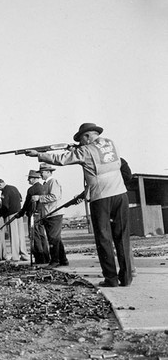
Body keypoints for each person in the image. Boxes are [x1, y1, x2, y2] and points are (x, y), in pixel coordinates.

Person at [26, 123, 132, 287]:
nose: (80, 142)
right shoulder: (110, 143)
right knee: (122, 237)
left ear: (88, 136)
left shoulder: (85, 150)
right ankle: (126, 278)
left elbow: (61, 160)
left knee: (103, 239)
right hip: (120, 193)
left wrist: (39, 155)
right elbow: (97, 154)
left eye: (81, 139)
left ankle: (111, 279)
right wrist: (75, 148)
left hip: (101, 197)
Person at [30, 164, 69, 268]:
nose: (41, 175)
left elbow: (54, 196)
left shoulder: (53, 182)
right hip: (49, 214)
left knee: (53, 238)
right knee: (56, 238)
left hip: (54, 213)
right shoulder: (46, 183)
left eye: (42, 172)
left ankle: (55, 261)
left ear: (48, 172)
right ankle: (63, 260)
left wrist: (39, 198)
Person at [16, 169, 50, 264]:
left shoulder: (32, 189)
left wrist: (20, 213)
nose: (28, 181)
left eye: (29, 178)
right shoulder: (43, 187)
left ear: (34, 178)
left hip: (33, 215)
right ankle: (46, 257)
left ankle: (40, 259)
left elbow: (27, 204)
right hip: (42, 215)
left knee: (35, 236)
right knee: (42, 235)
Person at [0, 179, 29, 262]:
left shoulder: (5, 191)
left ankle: (15, 256)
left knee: (14, 236)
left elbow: (5, 206)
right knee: (21, 235)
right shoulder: (14, 188)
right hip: (19, 213)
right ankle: (24, 254)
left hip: (11, 215)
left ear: (0, 184)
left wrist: (1, 214)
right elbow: (20, 198)